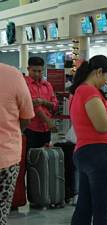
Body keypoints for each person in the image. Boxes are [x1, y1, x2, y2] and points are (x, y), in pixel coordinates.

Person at [69, 55, 107, 225]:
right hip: (100, 155)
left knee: (85, 207)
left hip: (86, 153)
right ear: (98, 72)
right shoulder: (89, 92)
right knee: (103, 210)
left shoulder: (79, 91)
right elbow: (102, 125)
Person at [0, 63, 34, 225]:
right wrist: (14, 132)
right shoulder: (13, 74)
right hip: (6, 157)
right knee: (1, 212)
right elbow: (26, 116)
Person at [24, 57, 58, 152]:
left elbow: (54, 105)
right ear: (28, 69)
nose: (37, 74)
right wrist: (48, 121)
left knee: (44, 158)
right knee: (31, 158)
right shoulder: (24, 84)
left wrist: (43, 101)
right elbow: (35, 107)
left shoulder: (47, 85)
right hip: (31, 128)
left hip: (46, 129)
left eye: (39, 71)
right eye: (34, 71)